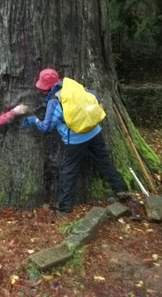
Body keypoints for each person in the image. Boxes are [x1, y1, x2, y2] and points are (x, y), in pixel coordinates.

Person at [22, 68, 130, 215]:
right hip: (94, 131)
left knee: (69, 171)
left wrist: (34, 120)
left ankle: (65, 208)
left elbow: (46, 127)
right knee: (104, 162)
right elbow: (94, 97)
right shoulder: (73, 86)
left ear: (46, 88)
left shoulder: (55, 101)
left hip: (75, 140)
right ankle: (121, 189)